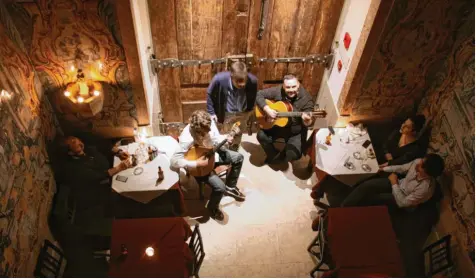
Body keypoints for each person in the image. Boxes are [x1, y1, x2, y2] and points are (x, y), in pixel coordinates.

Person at [170, 110, 246, 221]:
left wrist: (226, 139)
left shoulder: (208, 123)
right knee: (220, 188)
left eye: (209, 129)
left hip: (213, 152)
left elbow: (216, 139)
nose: (208, 132)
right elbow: (174, 161)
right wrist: (196, 163)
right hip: (201, 165)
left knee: (239, 158)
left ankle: (231, 187)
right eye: (203, 132)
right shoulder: (186, 137)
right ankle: (212, 208)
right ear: (196, 130)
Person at [341, 153, 445, 208]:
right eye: (422, 160)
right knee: (367, 185)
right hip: (398, 184)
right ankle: (343, 207)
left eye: (422, 165)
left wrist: (394, 183)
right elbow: (401, 168)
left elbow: (402, 203)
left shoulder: (425, 189)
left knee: (373, 199)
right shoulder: (418, 162)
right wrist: (382, 169)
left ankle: (351, 215)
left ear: (428, 173)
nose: (418, 163)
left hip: (403, 200)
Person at [255, 74, 314, 164]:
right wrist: (267, 109)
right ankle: (274, 155)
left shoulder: (307, 99)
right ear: (283, 86)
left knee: (294, 155)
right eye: (288, 87)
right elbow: (258, 94)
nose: (291, 90)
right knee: (261, 136)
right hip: (277, 126)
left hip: (294, 131)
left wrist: (307, 121)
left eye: (294, 86)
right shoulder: (278, 90)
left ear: (298, 84)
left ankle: (284, 152)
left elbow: (309, 122)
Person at [61, 136, 131, 209]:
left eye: (77, 139)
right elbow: (100, 176)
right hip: (103, 186)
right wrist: (119, 168)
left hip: (111, 168)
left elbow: (103, 145)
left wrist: (118, 152)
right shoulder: (75, 168)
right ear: (70, 152)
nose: (79, 142)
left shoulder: (86, 147)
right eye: (73, 142)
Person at [206, 61, 258, 150]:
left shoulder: (253, 80)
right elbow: (209, 94)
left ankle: (234, 150)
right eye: (238, 82)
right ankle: (225, 153)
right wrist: (211, 112)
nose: (242, 84)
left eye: (244, 81)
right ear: (231, 76)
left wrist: (249, 112)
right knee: (226, 135)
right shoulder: (219, 79)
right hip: (227, 113)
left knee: (238, 133)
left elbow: (253, 96)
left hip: (242, 112)